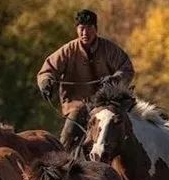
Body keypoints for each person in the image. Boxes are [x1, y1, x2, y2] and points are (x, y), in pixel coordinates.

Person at [37, 9, 134, 147]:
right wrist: (46, 82)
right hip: (78, 107)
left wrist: (115, 79)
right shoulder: (68, 51)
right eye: (81, 29)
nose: (85, 33)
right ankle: (65, 165)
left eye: (89, 28)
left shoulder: (109, 49)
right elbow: (48, 69)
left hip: (107, 105)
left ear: (96, 29)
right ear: (77, 29)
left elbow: (127, 68)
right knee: (67, 137)